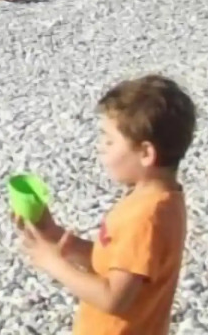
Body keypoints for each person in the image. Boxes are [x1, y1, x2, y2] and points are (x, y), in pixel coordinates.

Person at [17, 75, 196, 335]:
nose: (101, 148)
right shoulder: (158, 199)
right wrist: (55, 235)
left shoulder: (146, 218)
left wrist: (53, 263)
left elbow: (114, 298)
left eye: (110, 141)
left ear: (146, 153)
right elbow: (117, 262)